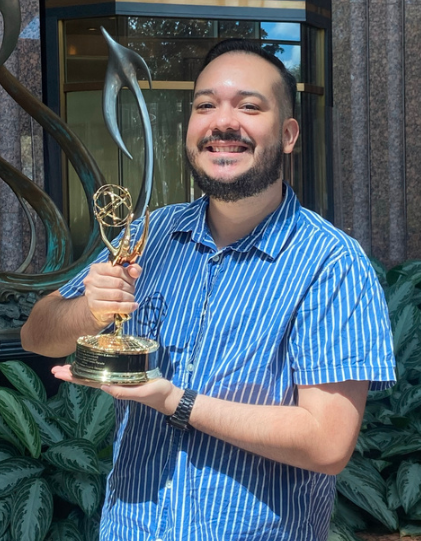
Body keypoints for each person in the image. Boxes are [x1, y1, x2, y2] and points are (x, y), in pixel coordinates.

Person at [21, 39, 396, 541]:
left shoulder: (331, 263)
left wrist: (175, 399)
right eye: (205, 105)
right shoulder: (146, 236)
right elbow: (36, 336)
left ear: (288, 134)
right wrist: (88, 311)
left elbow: (326, 442)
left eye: (248, 105)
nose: (223, 122)